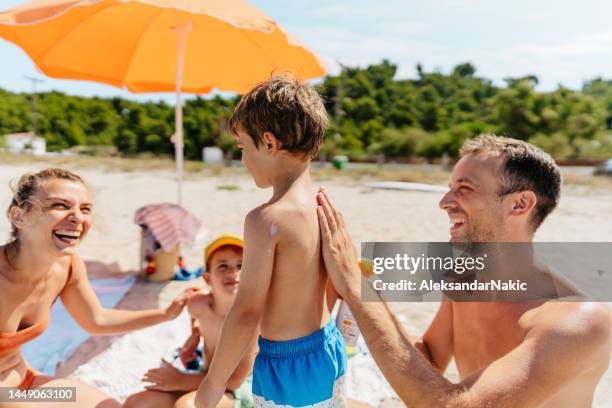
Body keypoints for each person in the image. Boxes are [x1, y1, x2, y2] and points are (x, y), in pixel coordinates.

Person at [316, 134, 612, 408]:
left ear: (520, 204)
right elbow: (430, 358)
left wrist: (357, 290)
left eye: (465, 189)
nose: (444, 202)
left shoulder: (580, 320)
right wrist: (369, 290)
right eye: (449, 189)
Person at [195, 76, 347, 408]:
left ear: (268, 143)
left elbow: (247, 310)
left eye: (242, 148)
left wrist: (213, 382)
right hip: (327, 348)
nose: (243, 159)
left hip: (286, 362)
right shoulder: (323, 205)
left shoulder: (266, 220)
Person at [0, 168, 189, 408]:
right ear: (19, 217)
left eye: (85, 209)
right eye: (59, 205)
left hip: (26, 384)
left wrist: (165, 315)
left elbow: (97, 320)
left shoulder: (67, 266)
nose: (77, 217)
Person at [124, 234, 255, 408]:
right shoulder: (198, 304)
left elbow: (234, 382)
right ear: (207, 278)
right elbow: (194, 314)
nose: (233, 272)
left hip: (240, 388)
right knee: (138, 403)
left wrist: (180, 381)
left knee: (187, 406)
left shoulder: (252, 318)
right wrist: (195, 335)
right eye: (223, 266)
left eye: (241, 266)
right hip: (205, 375)